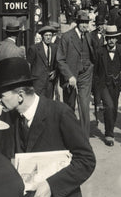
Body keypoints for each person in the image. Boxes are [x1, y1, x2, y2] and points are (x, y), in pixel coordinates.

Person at [0, 57, 96, 197]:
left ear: (20, 95)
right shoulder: (8, 119)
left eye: (1, 94)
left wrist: (52, 185)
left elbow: (86, 160)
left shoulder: (60, 113)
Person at [57, 9, 95, 138]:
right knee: (70, 106)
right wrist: (69, 76)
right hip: (71, 76)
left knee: (84, 105)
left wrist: (90, 66)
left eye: (87, 22)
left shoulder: (89, 36)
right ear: (77, 23)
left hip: (85, 74)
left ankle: (84, 136)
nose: (85, 25)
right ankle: (70, 134)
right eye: (83, 23)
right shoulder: (67, 37)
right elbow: (60, 59)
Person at [93, 25, 121, 146]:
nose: (111, 40)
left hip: (116, 84)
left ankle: (110, 127)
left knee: (114, 108)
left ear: (117, 39)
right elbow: (95, 72)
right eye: (109, 38)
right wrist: (95, 90)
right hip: (103, 84)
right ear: (106, 38)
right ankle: (109, 135)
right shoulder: (99, 51)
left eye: (114, 38)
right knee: (109, 106)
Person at [27, 24, 59, 99]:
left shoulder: (55, 47)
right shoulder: (34, 48)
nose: (48, 37)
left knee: (48, 105)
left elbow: (57, 63)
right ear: (42, 36)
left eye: (50, 35)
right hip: (38, 83)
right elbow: (28, 65)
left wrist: (55, 72)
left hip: (50, 83)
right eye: (46, 35)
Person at [89, 16, 106, 122]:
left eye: (102, 24)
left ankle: (102, 99)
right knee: (96, 82)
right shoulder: (91, 35)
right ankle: (97, 100)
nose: (100, 26)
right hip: (95, 62)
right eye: (98, 25)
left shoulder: (106, 35)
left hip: (104, 63)